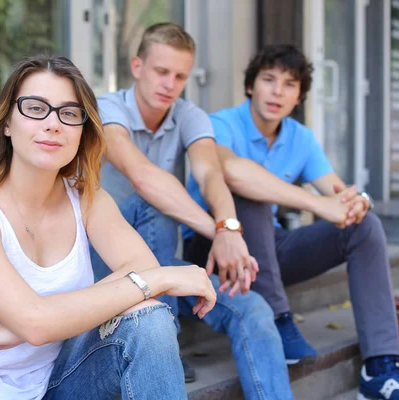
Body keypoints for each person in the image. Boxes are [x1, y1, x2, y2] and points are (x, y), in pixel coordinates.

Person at [0, 55, 217, 400]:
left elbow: (141, 268)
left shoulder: (86, 198)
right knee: (142, 297)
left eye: (69, 113)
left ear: (81, 132)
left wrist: (21, 327)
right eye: (35, 108)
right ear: (7, 123)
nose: (53, 124)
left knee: (148, 320)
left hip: (59, 383)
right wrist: (162, 278)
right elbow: (36, 322)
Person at [184, 44, 399, 400]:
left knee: (365, 227)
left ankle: (381, 368)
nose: (277, 91)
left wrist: (357, 202)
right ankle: (279, 319)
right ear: (250, 86)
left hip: (264, 253)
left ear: (299, 96)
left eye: (289, 84)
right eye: (268, 80)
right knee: (249, 193)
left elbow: (338, 194)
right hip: (211, 245)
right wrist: (319, 204)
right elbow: (232, 172)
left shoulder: (300, 138)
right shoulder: (220, 124)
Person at [92, 22, 295, 399]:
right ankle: (162, 338)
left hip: (165, 271)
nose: (170, 83)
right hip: (104, 272)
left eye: (180, 76)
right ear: (137, 67)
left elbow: (210, 174)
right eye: (161, 71)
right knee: (154, 202)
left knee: (255, 311)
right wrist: (216, 231)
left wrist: (230, 229)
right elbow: (142, 177)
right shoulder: (108, 108)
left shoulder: (188, 115)